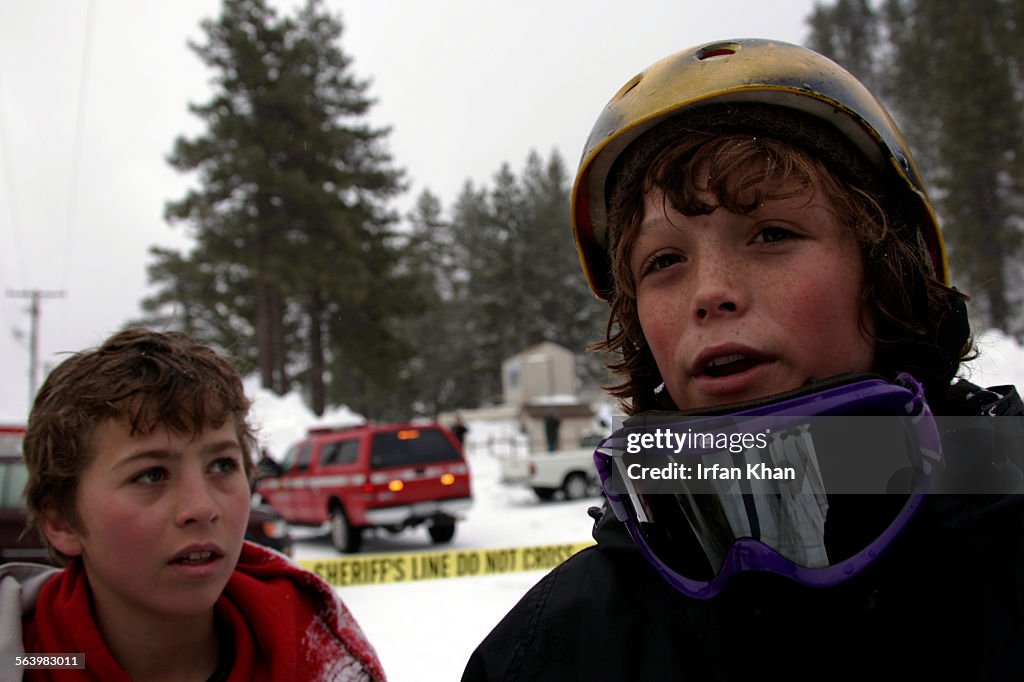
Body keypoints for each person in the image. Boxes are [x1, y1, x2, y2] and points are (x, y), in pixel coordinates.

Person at [462, 39, 1023, 681]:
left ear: (890, 273)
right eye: (664, 262)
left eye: (772, 234)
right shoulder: (552, 651)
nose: (709, 292)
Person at [0, 328, 386, 681]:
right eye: (151, 475)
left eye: (222, 465)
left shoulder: (319, 656)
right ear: (61, 521)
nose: (202, 508)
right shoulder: (28, 658)